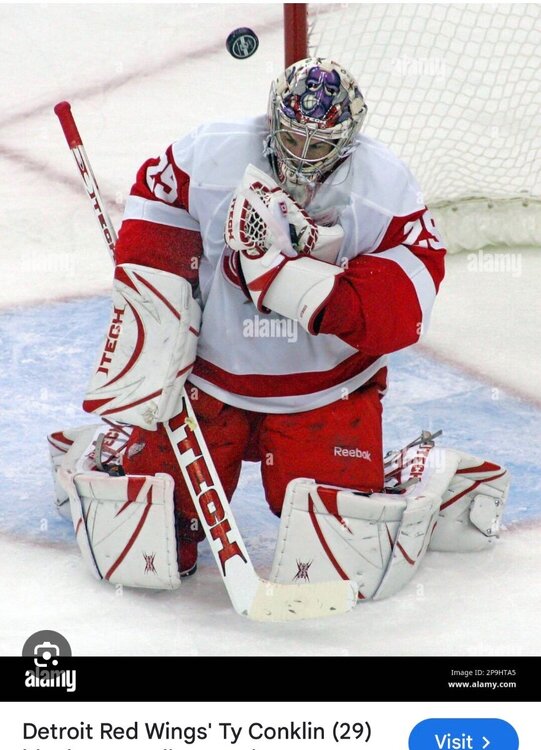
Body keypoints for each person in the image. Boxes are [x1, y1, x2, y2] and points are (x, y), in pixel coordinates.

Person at [50, 59, 508, 598]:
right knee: (147, 541)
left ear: (349, 139)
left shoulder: (384, 187)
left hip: (325, 389)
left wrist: (308, 292)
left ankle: (411, 470)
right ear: (273, 120)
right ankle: (118, 449)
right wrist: (160, 298)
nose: (303, 156)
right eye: (292, 138)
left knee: (341, 554)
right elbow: (159, 199)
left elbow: (407, 303)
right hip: (210, 380)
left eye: (322, 145)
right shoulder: (212, 153)